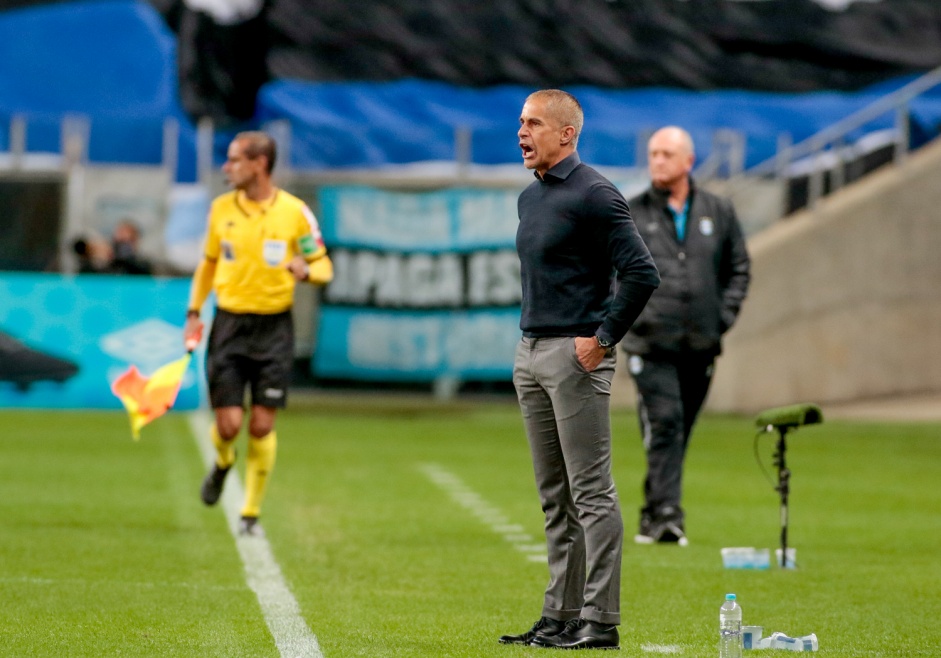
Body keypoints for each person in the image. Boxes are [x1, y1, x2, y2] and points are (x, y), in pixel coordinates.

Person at [499, 90, 660, 650]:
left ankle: (600, 620)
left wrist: (601, 339)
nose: (522, 132)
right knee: (554, 496)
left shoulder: (595, 193)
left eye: (534, 123)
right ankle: (559, 614)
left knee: (590, 493)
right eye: (520, 123)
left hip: (575, 357)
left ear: (567, 133)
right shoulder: (530, 197)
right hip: (531, 353)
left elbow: (642, 273)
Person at [183, 131, 333, 536]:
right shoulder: (220, 210)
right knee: (229, 424)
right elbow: (208, 263)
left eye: (233, 160)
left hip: (274, 329)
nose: (226, 167)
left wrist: (305, 270)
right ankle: (223, 461)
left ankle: (250, 512)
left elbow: (323, 266)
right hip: (230, 325)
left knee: (262, 426)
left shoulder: (294, 212)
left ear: (259, 164)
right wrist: (194, 311)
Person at [621, 126, 751, 547]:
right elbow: (611, 272)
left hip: (700, 344)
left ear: (688, 161)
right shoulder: (632, 212)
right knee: (666, 423)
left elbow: (739, 269)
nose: (657, 161)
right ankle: (667, 518)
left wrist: (721, 317)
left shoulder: (719, 210)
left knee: (678, 431)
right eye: (653, 153)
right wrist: (629, 320)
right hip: (650, 344)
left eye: (666, 154)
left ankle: (649, 512)